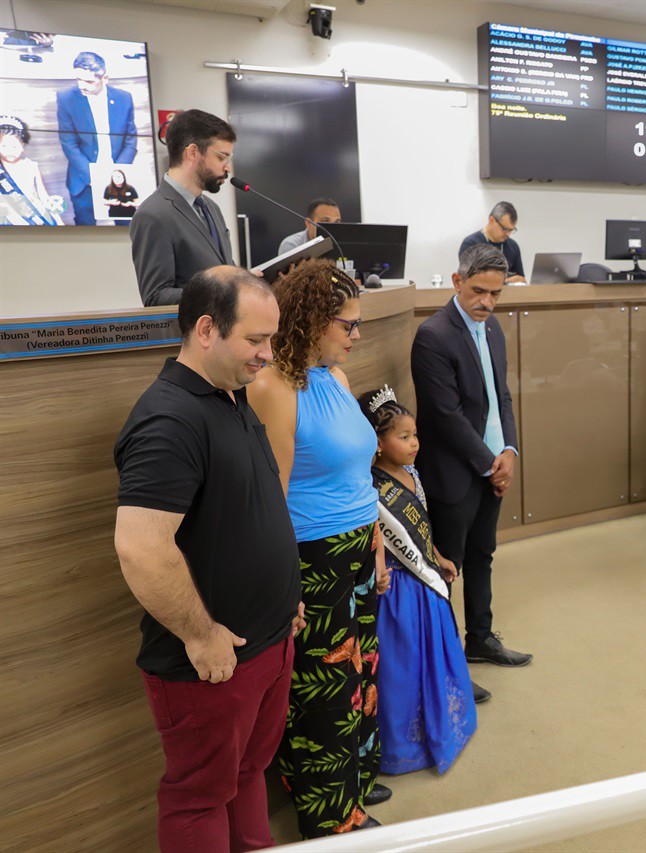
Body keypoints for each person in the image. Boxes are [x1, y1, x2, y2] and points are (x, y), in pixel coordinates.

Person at [114, 266, 305, 852]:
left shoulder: (231, 396)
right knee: (199, 795)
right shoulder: (168, 417)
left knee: (248, 775)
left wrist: (283, 603)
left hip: (268, 642)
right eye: (255, 340)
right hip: (212, 663)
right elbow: (141, 547)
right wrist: (200, 636)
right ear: (205, 329)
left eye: (270, 340)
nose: (267, 355)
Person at [246, 260, 390, 836]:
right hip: (314, 556)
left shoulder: (335, 377)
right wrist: (286, 585)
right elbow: (270, 501)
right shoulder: (272, 387)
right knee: (322, 691)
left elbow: (359, 473)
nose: (356, 337)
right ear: (310, 320)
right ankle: (330, 820)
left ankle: (353, 781)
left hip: (359, 546)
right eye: (347, 325)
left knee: (360, 675)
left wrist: (377, 540)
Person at [412, 244, 532, 686]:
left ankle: (479, 639)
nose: (487, 302)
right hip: (455, 475)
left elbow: (501, 398)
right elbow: (445, 416)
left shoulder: (493, 328)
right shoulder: (433, 334)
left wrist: (511, 453)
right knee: (446, 569)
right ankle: (445, 669)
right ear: (458, 282)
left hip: (491, 469)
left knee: (483, 556)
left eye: (496, 294)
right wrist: (490, 463)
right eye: (478, 291)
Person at [359, 385, 478, 775]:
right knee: (405, 663)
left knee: (436, 652)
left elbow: (422, 526)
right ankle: (405, 745)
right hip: (397, 590)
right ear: (377, 443)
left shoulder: (412, 474)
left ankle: (445, 726)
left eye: (415, 435)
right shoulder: (370, 485)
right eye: (404, 436)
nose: (414, 444)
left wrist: (439, 556)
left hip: (424, 580)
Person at [131, 109, 236, 306]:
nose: (228, 168)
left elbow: (224, 272)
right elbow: (155, 298)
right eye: (222, 158)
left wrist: (248, 281)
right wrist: (220, 290)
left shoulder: (211, 208)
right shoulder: (153, 215)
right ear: (193, 152)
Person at [56, 50, 138, 225]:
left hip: (119, 177)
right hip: (84, 179)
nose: (81, 85)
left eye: (88, 81)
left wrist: (117, 172)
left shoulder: (124, 98)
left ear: (105, 79)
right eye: (78, 79)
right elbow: (69, 144)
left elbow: (130, 140)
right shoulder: (66, 98)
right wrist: (94, 176)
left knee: (127, 232)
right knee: (85, 235)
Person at [0, 114, 63, 225]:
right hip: (6, 219)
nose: (9, 150)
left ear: (23, 146)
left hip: (35, 216)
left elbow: (43, 196)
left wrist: (58, 219)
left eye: (14, 146)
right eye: (4, 146)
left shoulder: (31, 166)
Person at [459, 201, 525, 283]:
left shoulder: (513, 246)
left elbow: (521, 279)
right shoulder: (471, 244)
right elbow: (469, 279)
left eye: (511, 230)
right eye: (505, 229)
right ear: (491, 220)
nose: (508, 234)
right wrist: (506, 281)